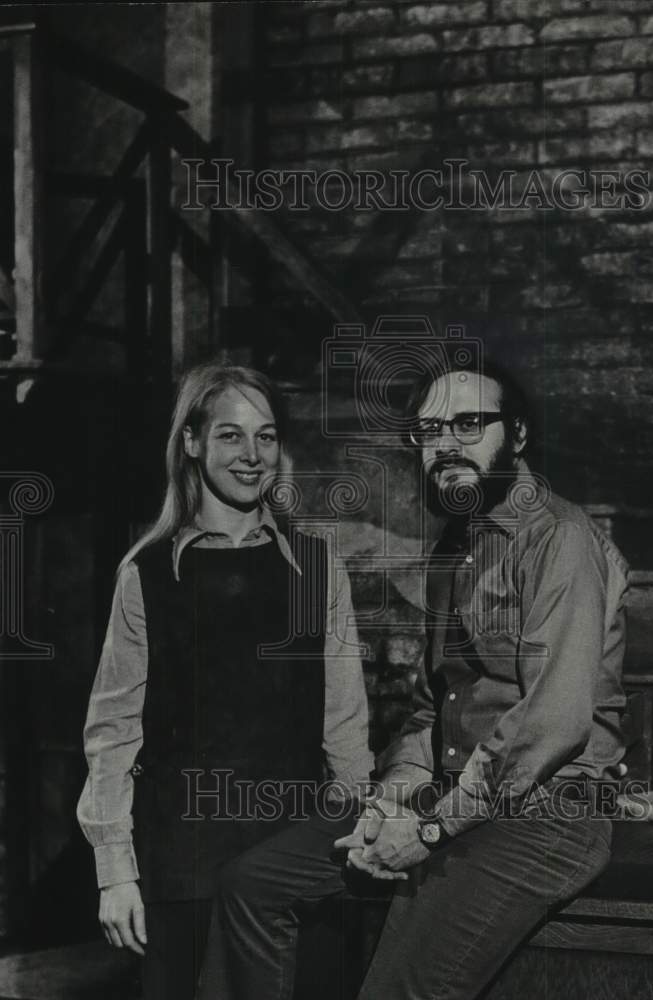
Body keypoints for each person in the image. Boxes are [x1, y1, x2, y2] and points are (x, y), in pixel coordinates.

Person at [201, 354, 629, 1000]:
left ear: (515, 436)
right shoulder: (455, 545)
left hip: (546, 813)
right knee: (250, 885)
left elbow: (552, 725)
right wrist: (393, 796)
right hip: (457, 798)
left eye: (467, 424)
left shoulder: (559, 539)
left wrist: (428, 831)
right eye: (429, 432)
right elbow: (437, 709)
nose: (444, 446)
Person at [77, 362, 373, 999]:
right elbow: (113, 733)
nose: (252, 455)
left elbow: (345, 727)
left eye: (265, 437)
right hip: (185, 860)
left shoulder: (319, 569)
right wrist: (115, 873)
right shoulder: (147, 574)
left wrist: (356, 842)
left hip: (293, 851)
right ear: (191, 442)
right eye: (230, 436)